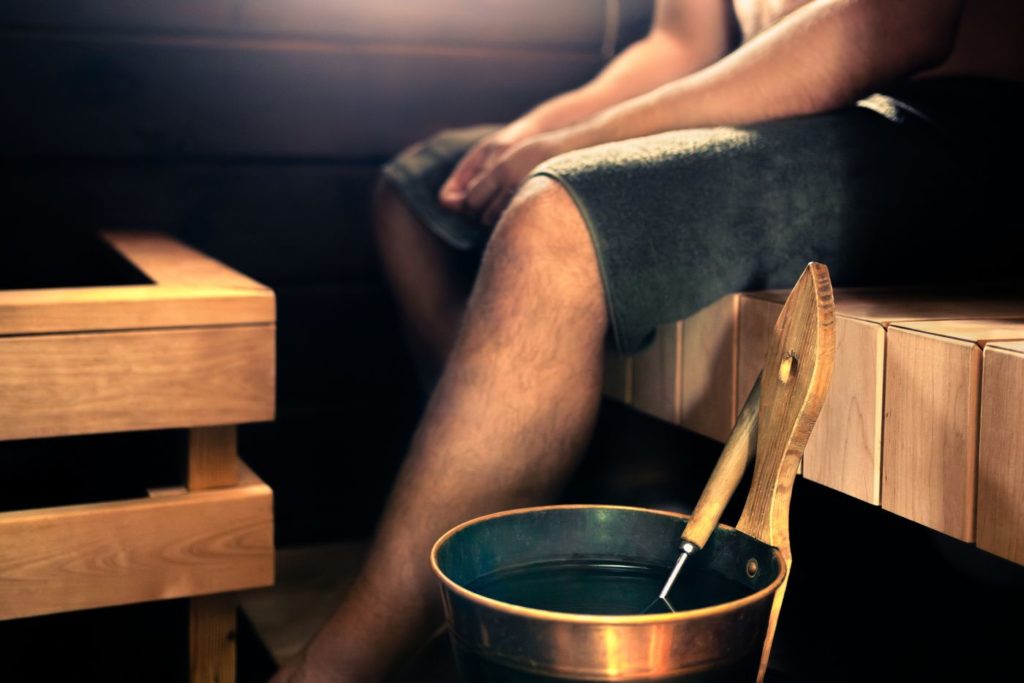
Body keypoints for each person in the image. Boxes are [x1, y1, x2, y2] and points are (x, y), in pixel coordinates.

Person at [273, 1, 1023, 680]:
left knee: (550, 223)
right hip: (783, 109)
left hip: (939, 117)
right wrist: (537, 132)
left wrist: (583, 143)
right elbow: (681, 41)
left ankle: (335, 668)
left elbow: (890, 25)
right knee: (417, 193)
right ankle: (498, 561)